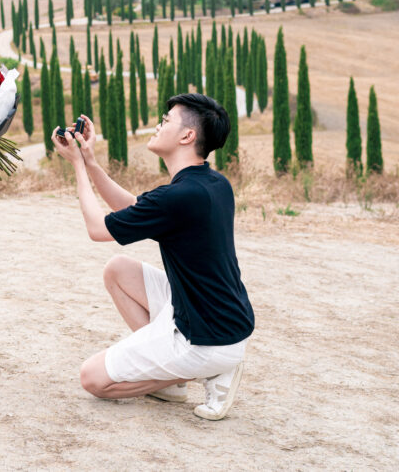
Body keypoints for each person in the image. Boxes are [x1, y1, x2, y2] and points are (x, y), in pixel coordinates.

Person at [51, 94, 254, 419]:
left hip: (206, 337)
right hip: (223, 319)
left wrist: (75, 165)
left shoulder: (178, 196)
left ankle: (197, 371)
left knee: (93, 379)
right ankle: (174, 381)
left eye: (166, 121)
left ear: (187, 136)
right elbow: (135, 209)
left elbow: (96, 228)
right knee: (118, 270)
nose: (158, 125)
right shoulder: (213, 184)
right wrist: (89, 161)